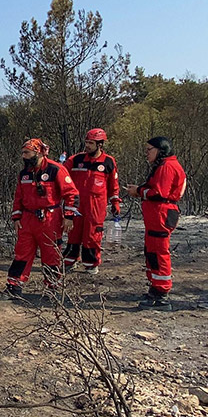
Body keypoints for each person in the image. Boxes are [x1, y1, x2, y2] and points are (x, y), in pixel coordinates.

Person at [0, 138, 79, 301]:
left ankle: (52, 288)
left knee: (51, 255)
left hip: (50, 219)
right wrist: (17, 216)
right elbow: (18, 197)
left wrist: (69, 217)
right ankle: (14, 287)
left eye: (27, 153)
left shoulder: (56, 170)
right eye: (23, 153)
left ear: (38, 152)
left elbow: (72, 194)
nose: (24, 156)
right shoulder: (24, 174)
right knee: (22, 254)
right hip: (27, 219)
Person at [124, 136, 186, 308]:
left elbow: (159, 192)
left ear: (160, 150)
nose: (146, 153)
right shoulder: (164, 166)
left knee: (159, 253)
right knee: (151, 251)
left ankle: (161, 294)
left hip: (162, 214)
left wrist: (139, 191)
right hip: (157, 215)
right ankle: (155, 288)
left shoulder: (167, 167)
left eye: (149, 149)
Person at [62, 128, 121, 274]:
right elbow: (61, 173)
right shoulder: (76, 160)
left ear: (100, 145)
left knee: (92, 235)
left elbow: (113, 186)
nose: (87, 145)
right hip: (77, 204)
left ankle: (91, 264)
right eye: (87, 142)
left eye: (91, 143)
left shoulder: (108, 162)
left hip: (96, 206)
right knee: (73, 233)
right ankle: (70, 260)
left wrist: (115, 203)